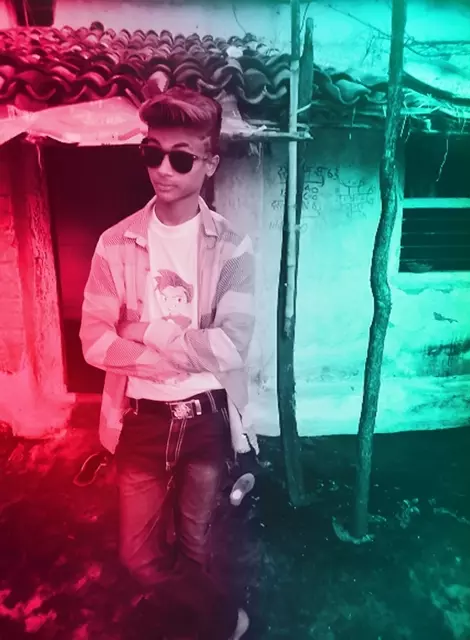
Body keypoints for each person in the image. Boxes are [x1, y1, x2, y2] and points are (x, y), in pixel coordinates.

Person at [79, 86, 258, 640]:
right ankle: (226, 621)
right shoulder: (114, 244)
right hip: (140, 420)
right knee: (138, 554)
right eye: (151, 153)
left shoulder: (232, 248)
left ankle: (193, 627)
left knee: (195, 543)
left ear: (210, 164)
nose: (162, 168)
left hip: (207, 419)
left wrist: (146, 332)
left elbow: (232, 346)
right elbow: (93, 342)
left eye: (181, 158)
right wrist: (168, 351)